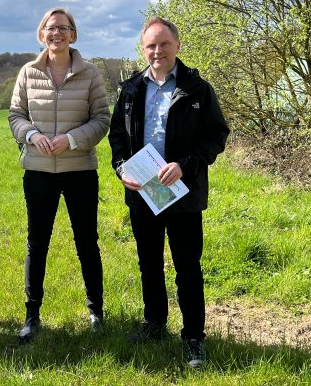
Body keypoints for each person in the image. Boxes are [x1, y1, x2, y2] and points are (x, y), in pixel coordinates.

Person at [108, 18, 229, 368]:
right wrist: (121, 169)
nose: (157, 51)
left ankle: (194, 337)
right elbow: (117, 136)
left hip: (182, 192)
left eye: (163, 44)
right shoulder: (131, 89)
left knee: (187, 266)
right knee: (149, 264)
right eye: (151, 46)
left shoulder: (197, 89)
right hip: (143, 190)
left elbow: (216, 136)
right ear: (143, 50)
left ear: (177, 45)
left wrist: (185, 164)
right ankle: (155, 323)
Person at [8, 7, 110, 343]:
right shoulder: (27, 72)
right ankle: (31, 315)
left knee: (86, 243)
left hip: (79, 170)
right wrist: (31, 136)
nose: (57, 34)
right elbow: (16, 115)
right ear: (41, 35)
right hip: (38, 171)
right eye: (51, 28)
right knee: (37, 243)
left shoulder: (91, 73)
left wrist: (70, 140)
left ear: (73, 35)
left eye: (64, 28)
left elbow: (101, 120)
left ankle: (96, 311)